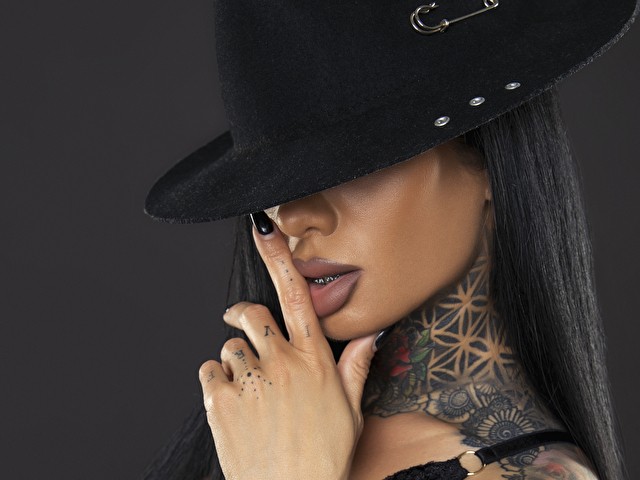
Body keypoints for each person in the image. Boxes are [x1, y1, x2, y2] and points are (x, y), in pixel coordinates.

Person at [141, 1, 639, 479]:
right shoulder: (246, 430)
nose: (291, 217)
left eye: (352, 163)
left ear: (486, 160)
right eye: (275, 181)